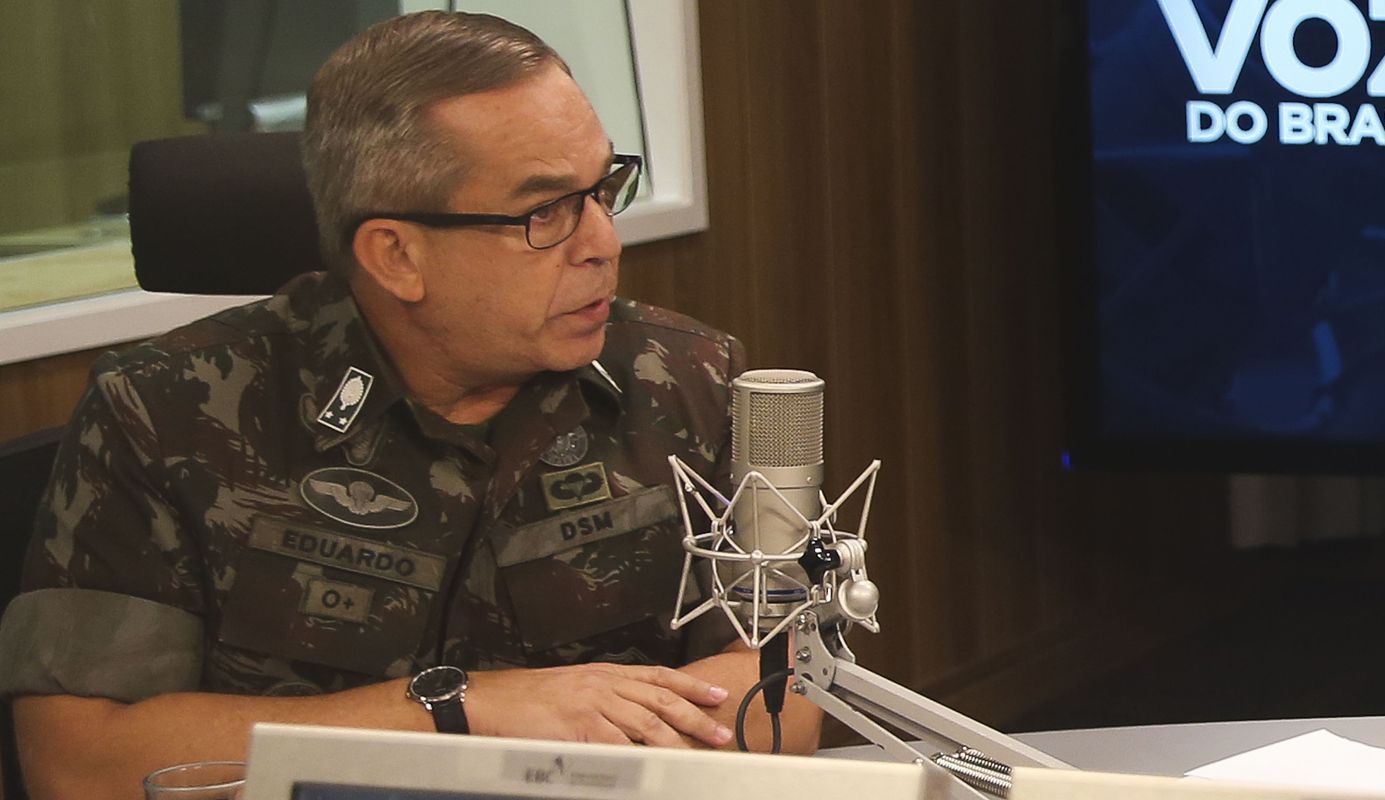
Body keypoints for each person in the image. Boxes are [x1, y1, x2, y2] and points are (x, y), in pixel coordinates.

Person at [0, 11, 819, 798]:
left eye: (603, 188)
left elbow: (787, 697)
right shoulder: (165, 411)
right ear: (395, 256)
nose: (603, 242)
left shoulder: (692, 379)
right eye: (545, 212)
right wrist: (460, 713)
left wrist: (546, 771)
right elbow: (79, 765)